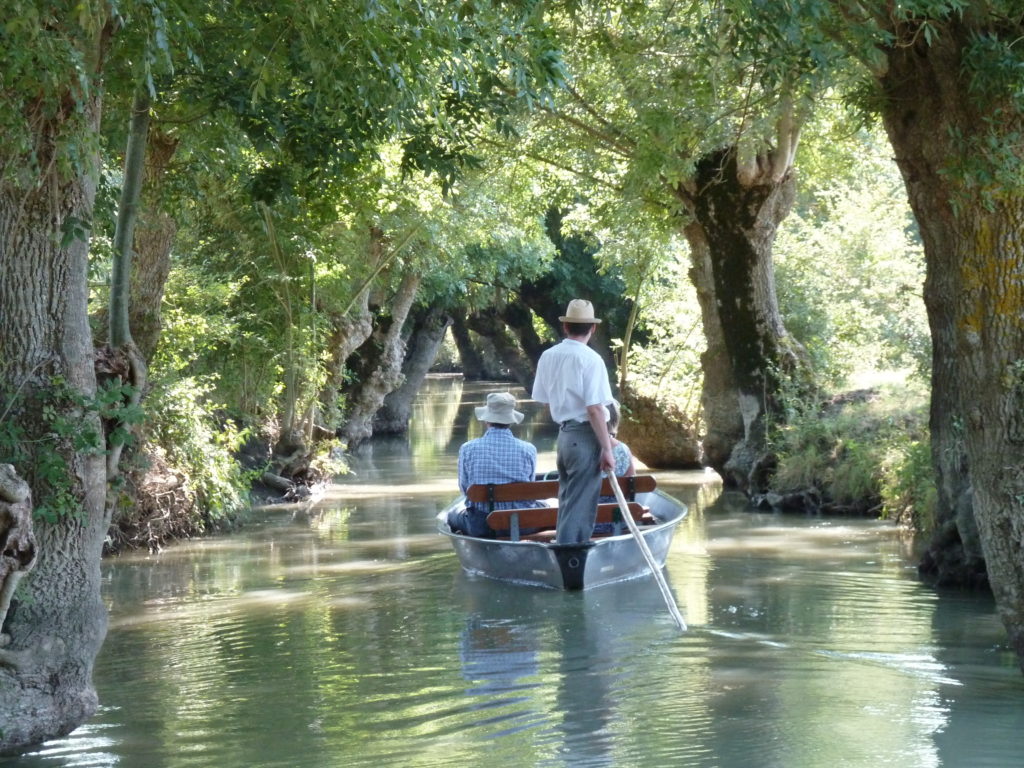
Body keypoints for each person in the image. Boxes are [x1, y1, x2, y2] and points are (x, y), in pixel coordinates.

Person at [531, 299, 615, 544]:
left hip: (565, 435)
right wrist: (607, 448)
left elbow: (546, 401)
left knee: (568, 498)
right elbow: (595, 410)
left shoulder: (548, 356)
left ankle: (565, 553)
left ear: (566, 327)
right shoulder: (591, 359)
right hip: (585, 436)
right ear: (593, 328)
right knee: (581, 503)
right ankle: (571, 556)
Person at [447, 391, 540, 538]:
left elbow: (465, 490)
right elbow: (530, 494)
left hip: (483, 525)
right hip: (523, 524)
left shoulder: (468, 448)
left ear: (486, 420)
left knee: (451, 514)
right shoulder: (529, 449)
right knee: (546, 507)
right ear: (511, 420)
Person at [594, 400, 636, 535]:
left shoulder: (583, 451)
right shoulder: (623, 449)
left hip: (588, 523)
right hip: (617, 521)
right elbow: (632, 486)